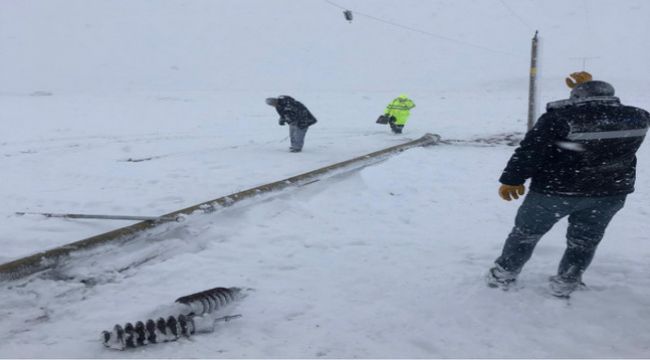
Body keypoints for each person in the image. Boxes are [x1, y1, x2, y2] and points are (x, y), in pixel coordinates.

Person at [486, 71, 650, 297]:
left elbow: (531, 151)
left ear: (577, 97)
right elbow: (600, 118)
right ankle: (567, 282)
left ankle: (503, 274)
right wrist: (589, 89)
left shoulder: (560, 118)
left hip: (554, 192)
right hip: (609, 193)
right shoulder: (639, 116)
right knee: (584, 241)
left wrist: (512, 180)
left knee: (526, 234)